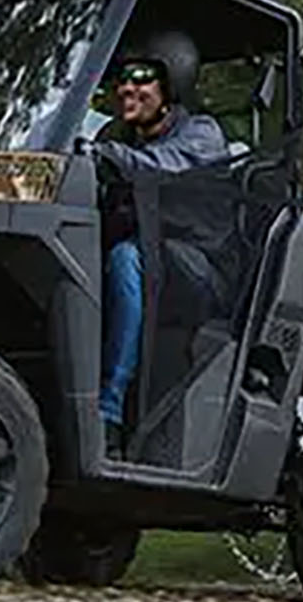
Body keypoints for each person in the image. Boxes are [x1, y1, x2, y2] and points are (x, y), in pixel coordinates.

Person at [90, 29, 230, 450]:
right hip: (156, 257)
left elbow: (157, 167)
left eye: (140, 76)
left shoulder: (202, 134)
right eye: (122, 78)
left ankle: (108, 412)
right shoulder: (117, 139)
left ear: (172, 85)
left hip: (202, 269)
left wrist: (102, 155)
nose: (127, 87)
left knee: (125, 259)